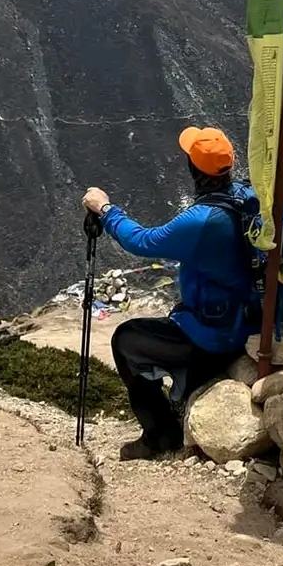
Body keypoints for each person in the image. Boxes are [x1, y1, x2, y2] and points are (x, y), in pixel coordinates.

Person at [83, 125, 255, 461]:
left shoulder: (203, 220)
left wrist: (106, 210)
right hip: (246, 323)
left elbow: (143, 241)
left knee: (127, 339)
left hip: (214, 336)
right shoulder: (247, 198)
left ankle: (160, 435)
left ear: (193, 168)